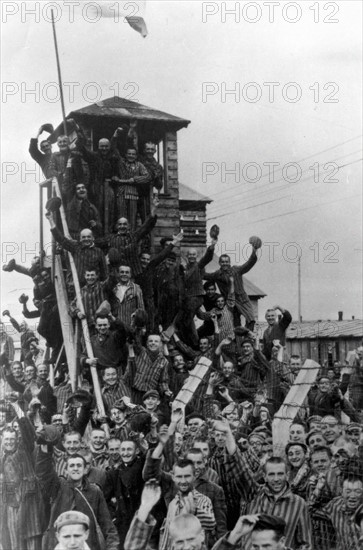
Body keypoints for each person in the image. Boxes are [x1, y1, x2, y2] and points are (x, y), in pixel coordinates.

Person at [36, 449, 119, 550]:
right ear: (66, 470)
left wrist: (112, 547)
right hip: (61, 544)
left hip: (87, 545)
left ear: (85, 469)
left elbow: (107, 526)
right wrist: (45, 450)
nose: (75, 469)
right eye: (71, 466)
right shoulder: (58, 486)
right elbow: (44, 472)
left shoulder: (95, 491)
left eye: (79, 466)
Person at [242, 456, 312, 550]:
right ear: (264, 476)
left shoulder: (299, 503)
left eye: (280, 474)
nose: (276, 479)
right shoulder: (254, 496)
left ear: (287, 475)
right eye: (271, 474)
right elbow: (239, 471)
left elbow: (306, 544)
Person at [203, 238, 261, 332]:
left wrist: (254, 251)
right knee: (235, 322)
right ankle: (237, 341)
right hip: (230, 301)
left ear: (229, 262)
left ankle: (247, 337)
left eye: (226, 261)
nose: (225, 263)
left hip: (242, 299)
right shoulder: (217, 274)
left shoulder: (236, 270)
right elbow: (206, 276)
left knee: (251, 320)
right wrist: (197, 268)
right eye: (223, 262)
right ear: (220, 263)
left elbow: (248, 264)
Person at [46, 210, 107, 284]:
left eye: (88, 237)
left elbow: (104, 272)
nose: (86, 239)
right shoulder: (76, 247)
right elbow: (61, 239)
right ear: (80, 239)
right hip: (78, 288)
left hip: (93, 289)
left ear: (93, 238)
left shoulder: (98, 251)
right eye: (84, 237)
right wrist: (51, 220)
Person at [112, 145, 151, 230]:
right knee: (121, 215)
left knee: (132, 217)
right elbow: (114, 150)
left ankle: (131, 237)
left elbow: (147, 177)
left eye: (133, 154)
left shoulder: (139, 165)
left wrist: (135, 179)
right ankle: (119, 238)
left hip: (133, 193)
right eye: (129, 153)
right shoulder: (121, 162)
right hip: (121, 192)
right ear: (125, 155)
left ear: (136, 156)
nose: (131, 156)